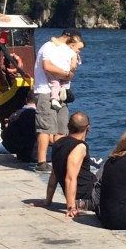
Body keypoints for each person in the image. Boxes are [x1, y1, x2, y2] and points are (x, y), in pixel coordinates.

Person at [33, 31, 84, 171]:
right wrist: (67, 74)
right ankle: (41, 162)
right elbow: (47, 66)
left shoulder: (65, 50)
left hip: (60, 92)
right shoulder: (49, 47)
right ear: (70, 39)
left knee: (62, 126)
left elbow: (71, 65)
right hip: (45, 90)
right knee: (45, 127)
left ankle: (59, 159)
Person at [45, 111, 96, 217]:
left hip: (81, 196)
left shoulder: (57, 144)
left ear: (68, 126)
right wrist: (71, 207)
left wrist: (47, 201)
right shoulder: (79, 147)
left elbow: (54, 176)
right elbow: (70, 178)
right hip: (88, 197)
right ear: (88, 128)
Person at [0, 89, 38, 163]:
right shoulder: (38, 115)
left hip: (20, 152)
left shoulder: (14, 114)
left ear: (26, 100)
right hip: (35, 152)